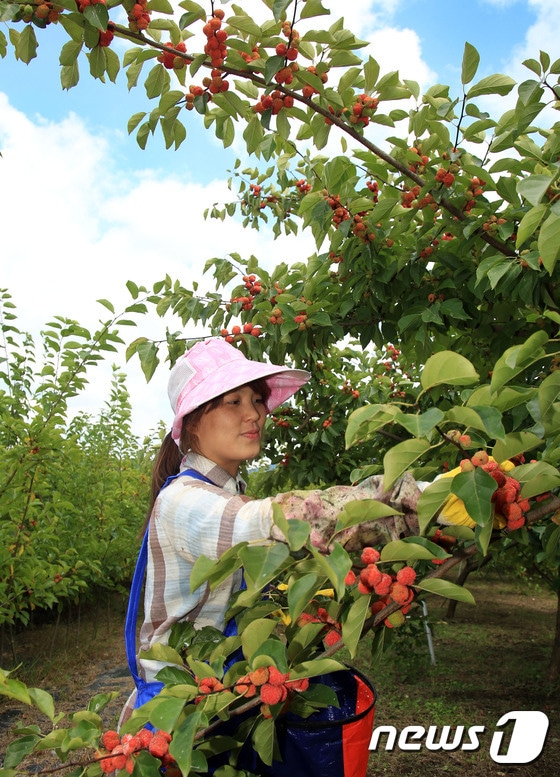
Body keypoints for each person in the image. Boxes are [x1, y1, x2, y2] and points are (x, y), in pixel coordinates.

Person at [119, 338, 422, 726]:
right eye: (234, 402)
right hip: (179, 714)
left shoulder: (227, 495)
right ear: (193, 422)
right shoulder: (183, 501)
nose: (255, 415)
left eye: (257, 400)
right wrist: (415, 498)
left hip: (222, 698)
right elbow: (280, 519)